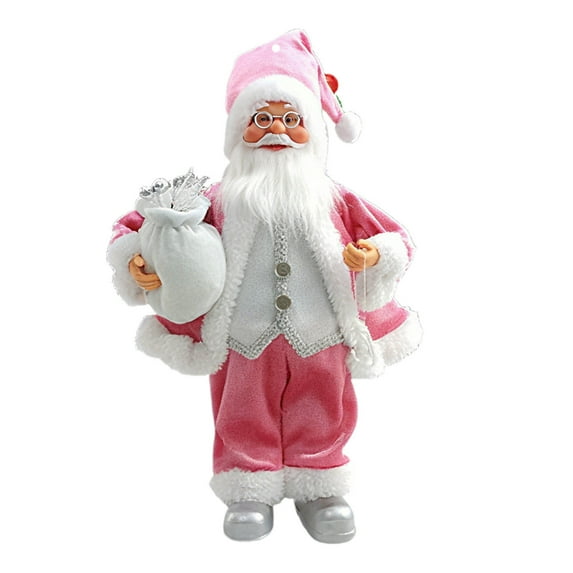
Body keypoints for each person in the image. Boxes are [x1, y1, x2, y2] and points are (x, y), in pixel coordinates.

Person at [107, 30, 422, 543]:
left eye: (291, 119)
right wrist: (140, 259)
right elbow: (142, 224)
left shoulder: (332, 198)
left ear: (312, 131)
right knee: (242, 408)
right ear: (238, 132)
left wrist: (374, 256)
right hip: (243, 335)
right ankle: (247, 483)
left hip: (320, 332)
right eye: (261, 118)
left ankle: (320, 483)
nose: (277, 129)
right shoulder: (215, 198)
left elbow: (393, 237)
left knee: (323, 404)